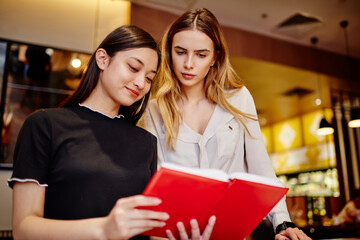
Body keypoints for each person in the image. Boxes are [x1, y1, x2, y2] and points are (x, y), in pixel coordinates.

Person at [142, 8, 312, 240]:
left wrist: (282, 223)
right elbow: (157, 183)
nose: (188, 64)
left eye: (201, 55)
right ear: (169, 51)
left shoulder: (239, 99)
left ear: (215, 57)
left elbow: (261, 169)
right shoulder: (154, 109)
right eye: (180, 52)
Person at [8, 25, 188, 240]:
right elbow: (23, 229)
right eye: (133, 67)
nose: (141, 83)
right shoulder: (44, 125)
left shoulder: (146, 142)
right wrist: (104, 229)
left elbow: (146, 229)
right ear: (102, 59)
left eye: (149, 78)